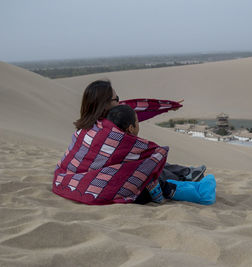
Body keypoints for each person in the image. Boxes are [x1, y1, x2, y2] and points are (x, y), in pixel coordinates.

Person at [53, 79, 213, 205]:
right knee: (145, 162)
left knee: (140, 161)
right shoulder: (111, 132)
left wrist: (167, 106)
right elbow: (149, 152)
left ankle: (186, 173)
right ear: (105, 104)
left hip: (63, 180)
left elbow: (134, 109)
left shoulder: (86, 127)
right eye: (117, 99)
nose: (120, 102)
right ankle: (185, 176)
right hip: (97, 184)